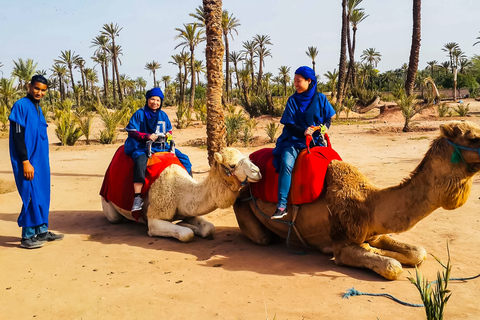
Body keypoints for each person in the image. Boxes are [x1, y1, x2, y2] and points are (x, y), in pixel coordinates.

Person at [271, 66, 336, 219]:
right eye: (294, 81)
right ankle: (282, 205)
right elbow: (289, 124)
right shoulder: (292, 101)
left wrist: (323, 127)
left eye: (298, 81)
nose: (295, 84)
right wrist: (303, 132)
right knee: (286, 163)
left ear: (309, 81)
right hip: (293, 140)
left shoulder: (320, 98)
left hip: (315, 141)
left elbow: (328, 118)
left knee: (329, 164)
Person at [9, 75, 64, 249]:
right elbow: (18, 136)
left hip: (41, 162)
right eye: (36, 88)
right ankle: (27, 236)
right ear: (29, 86)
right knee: (30, 196)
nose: (39, 92)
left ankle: (41, 231)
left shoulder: (38, 109)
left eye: (43, 90)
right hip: (28, 161)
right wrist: (25, 161)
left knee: (42, 195)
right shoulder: (21, 106)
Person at [124, 87, 192, 212]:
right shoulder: (139, 114)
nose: (155, 102)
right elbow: (132, 130)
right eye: (152, 99)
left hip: (162, 146)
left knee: (185, 159)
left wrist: (168, 136)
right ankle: (137, 197)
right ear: (147, 99)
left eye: (158, 100)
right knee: (140, 161)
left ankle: (190, 188)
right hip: (142, 146)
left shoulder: (163, 115)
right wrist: (146, 136)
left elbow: (169, 130)